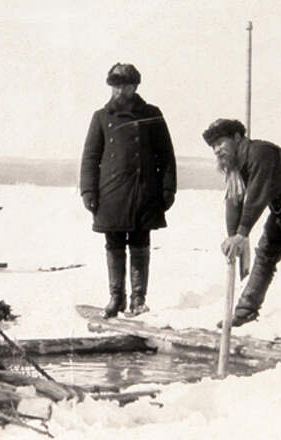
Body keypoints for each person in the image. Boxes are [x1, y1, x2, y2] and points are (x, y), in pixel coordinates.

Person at [202, 119, 281, 342]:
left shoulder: (260, 154)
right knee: (265, 256)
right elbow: (234, 200)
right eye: (213, 146)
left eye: (221, 142)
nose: (217, 149)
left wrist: (242, 233)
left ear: (238, 138)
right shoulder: (233, 168)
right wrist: (233, 235)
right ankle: (245, 312)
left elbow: (256, 196)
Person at [80, 63, 177, 319]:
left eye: (124, 85)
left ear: (135, 86)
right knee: (113, 243)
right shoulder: (101, 117)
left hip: (144, 191)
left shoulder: (151, 114)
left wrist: (168, 188)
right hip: (111, 193)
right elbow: (90, 157)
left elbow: (166, 155)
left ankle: (138, 299)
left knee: (140, 242)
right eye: (115, 85)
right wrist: (88, 190)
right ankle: (116, 297)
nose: (119, 90)